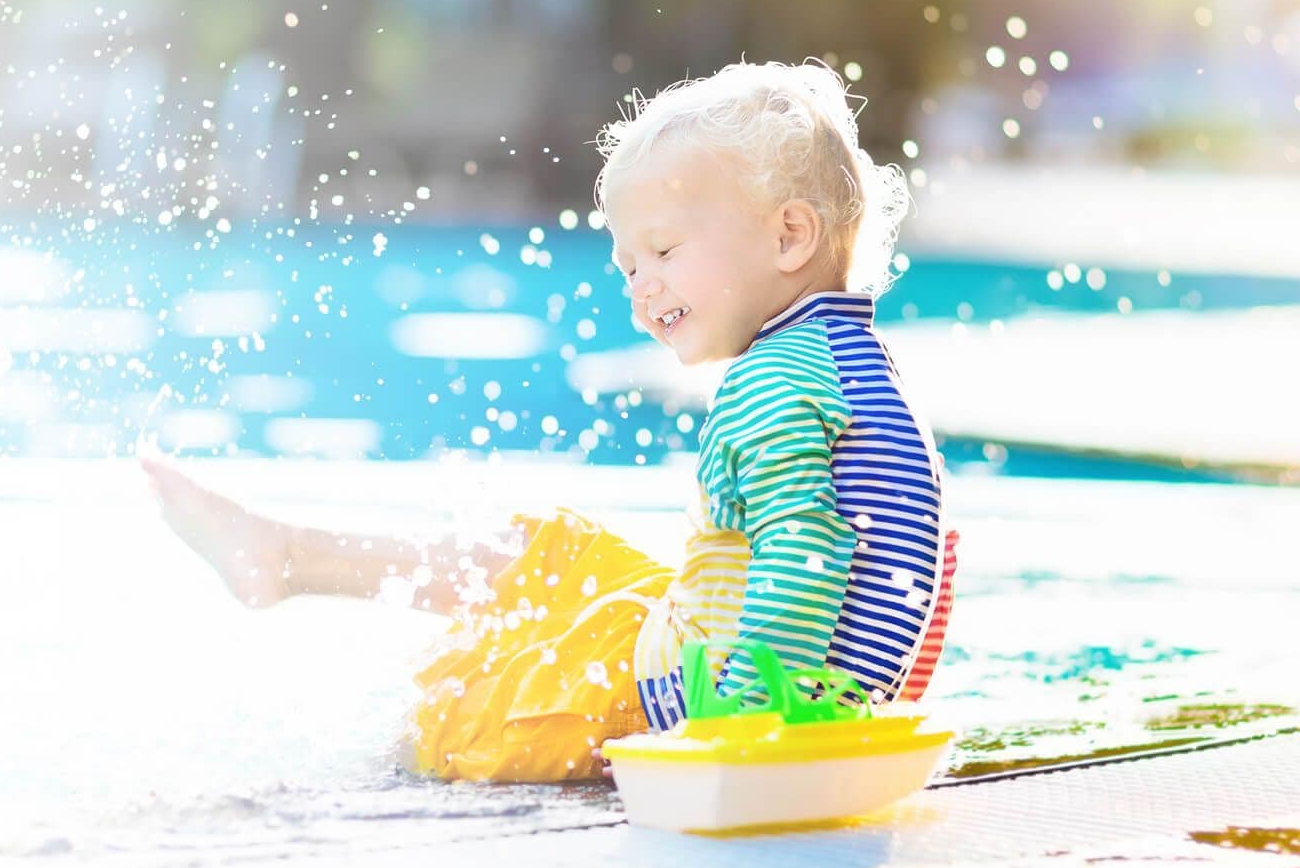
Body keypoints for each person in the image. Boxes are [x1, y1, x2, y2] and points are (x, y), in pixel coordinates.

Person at [141, 60, 959, 784]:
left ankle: (342, 732)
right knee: (546, 556)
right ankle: (285, 555)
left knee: (477, 704)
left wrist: (735, 740)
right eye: (629, 265)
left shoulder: (770, 384)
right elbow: (925, 561)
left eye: (664, 252)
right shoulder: (861, 370)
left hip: (696, 697)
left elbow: (807, 551)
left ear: (789, 235)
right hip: (730, 660)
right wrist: (876, 704)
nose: (641, 286)